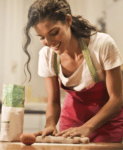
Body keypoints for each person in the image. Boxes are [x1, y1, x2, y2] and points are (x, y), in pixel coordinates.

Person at [23, 0, 123, 143]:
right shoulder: (47, 55)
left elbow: (117, 99)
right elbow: (53, 102)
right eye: (42, 37)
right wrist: (50, 124)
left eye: (54, 33)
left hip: (107, 123)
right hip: (72, 121)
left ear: (68, 20)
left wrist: (87, 127)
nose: (49, 42)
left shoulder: (102, 45)